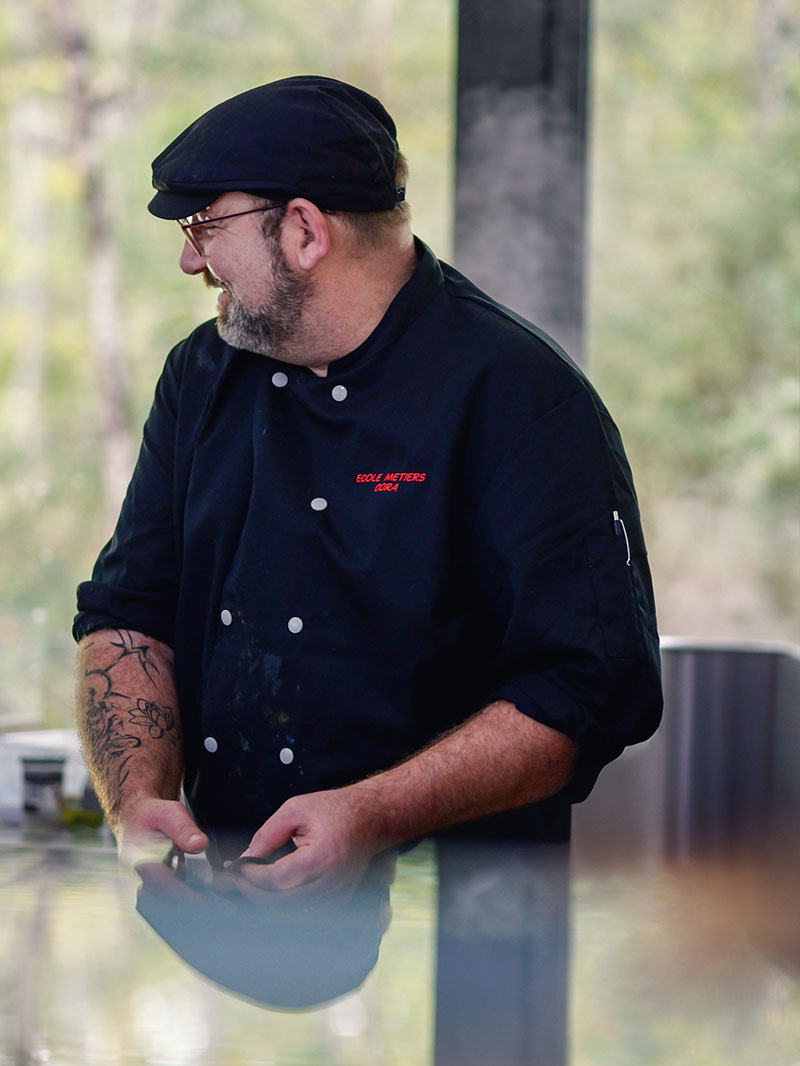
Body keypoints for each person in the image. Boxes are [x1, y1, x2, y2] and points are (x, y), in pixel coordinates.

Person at [73, 75, 662, 901]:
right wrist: (135, 797)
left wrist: (372, 814)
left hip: (458, 921)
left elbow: (584, 689)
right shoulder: (201, 377)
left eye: (204, 224)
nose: (189, 258)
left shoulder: (520, 397)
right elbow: (130, 613)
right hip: (221, 907)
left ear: (305, 231)